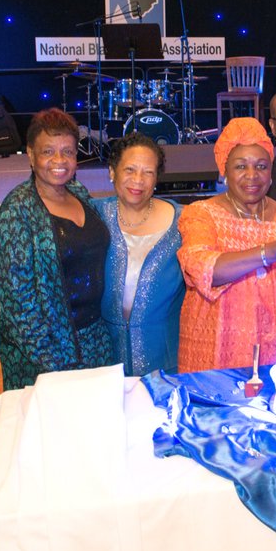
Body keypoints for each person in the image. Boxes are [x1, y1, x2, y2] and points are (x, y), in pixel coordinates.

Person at [0, 108, 114, 390]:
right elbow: (19, 308)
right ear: (31, 154)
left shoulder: (79, 193)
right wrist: (57, 365)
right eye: (48, 151)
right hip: (46, 358)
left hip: (96, 342)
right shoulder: (17, 210)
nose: (59, 161)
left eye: (67, 152)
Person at [177, 116, 276, 372]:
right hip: (214, 353)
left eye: (261, 166)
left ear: (270, 173)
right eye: (240, 166)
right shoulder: (202, 214)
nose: (252, 175)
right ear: (224, 170)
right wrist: (271, 251)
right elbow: (204, 269)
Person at [99, 133, 184, 375]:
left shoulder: (183, 222)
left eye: (148, 172)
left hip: (165, 364)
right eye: (130, 170)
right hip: (104, 364)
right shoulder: (92, 217)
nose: (138, 180)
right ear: (112, 171)